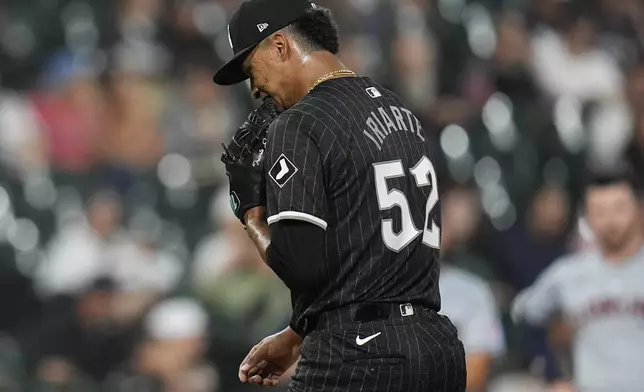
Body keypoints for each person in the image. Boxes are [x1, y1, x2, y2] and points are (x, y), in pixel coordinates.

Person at [214, 0, 466, 391]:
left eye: (251, 69)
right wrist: (298, 332)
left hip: (358, 354)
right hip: (436, 348)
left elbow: (301, 266)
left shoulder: (299, 123)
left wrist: (253, 218)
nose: (254, 88)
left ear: (279, 46)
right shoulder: (399, 110)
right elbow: (366, 250)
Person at [512, 173, 644, 391]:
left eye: (619, 208)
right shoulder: (566, 274)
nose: (611, 220)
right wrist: (553, 374)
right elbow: (525, 316)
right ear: (587, 218)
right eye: (600, 212)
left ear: (638, 209)